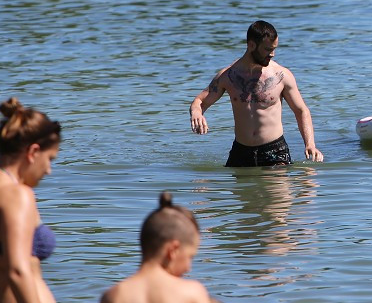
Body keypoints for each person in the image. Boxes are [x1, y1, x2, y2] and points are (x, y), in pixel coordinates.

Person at [0, 97, 61, 303]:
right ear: (33, 152)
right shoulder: (17, 194)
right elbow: (17, 271)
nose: (48, 171)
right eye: (49, 159)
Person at [189, 20, 323, 167]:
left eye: (274, 49)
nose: (272, 54)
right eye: (267, 49)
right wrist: (197, 113)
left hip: (275, 151)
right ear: (251, 45)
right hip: (240, 152)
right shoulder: (228, 76)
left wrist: (310, 144)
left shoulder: (282, 75)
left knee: (279, 190)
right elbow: (200, 102)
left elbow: (301, 110)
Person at [100, 192, 212, 303]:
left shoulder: (114, 295)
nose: (189, 268)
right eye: (190, 257)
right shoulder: (190, 293)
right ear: (173, 250)